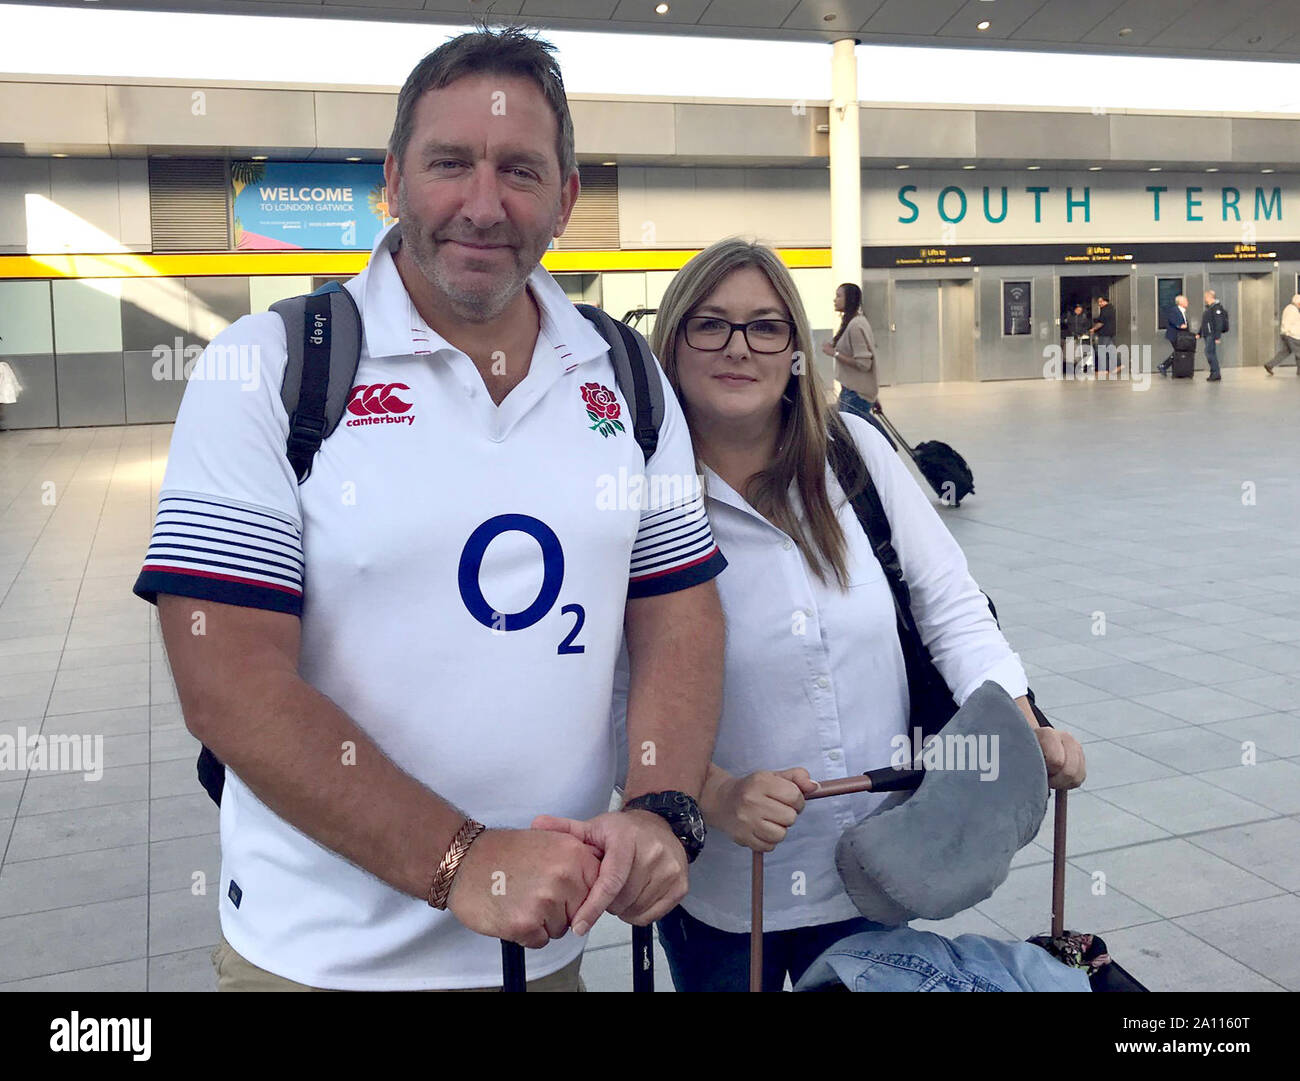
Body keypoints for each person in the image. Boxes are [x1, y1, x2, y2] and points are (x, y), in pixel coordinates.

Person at [133, 26, 728, 991]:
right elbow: (228, 682)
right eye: (450, 162)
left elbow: (679, 610)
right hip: (316, 959)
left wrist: (663, 805)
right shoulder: (270, 368)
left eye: (522, 171)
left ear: (567, 197)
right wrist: (461, 860)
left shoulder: (625, 376)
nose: (482, 206)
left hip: (547, 954)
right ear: (394, 179)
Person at [613, 238, 1087, 992]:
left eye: (766, 326)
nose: (739, 347)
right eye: (711, 324)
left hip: (878, 864)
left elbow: (952, 608)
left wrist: (1023, 722)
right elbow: (608, 694)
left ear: (796, 351)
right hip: (730, 890)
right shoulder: (635, 495)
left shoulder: (853, 454)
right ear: (671, 340)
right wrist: (709, 791)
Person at [821, 282, 893, 449]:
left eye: (839, 296)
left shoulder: (855, 325)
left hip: (854, 394)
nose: (835, 300)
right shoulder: (855, 322)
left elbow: (864, 363)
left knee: (852, 442)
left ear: (850, 299)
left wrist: (835, 353)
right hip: (854, 392)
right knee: (851, 437)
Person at [1264, 293, 1300, 375]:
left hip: (1287, 334)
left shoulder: (1289, 308)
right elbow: (1289, 323)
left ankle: (1269, 365)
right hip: (1292, 335)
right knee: (1299, 353)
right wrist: (1288, 332)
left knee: (1285, 352)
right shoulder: (1293, 310)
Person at [1159, 294, 1190, 375]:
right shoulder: (1174, 310)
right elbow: (1172, 320)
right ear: (1180, 302)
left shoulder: (1183, 311)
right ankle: (1164, 366)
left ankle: (1166, 366)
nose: (1187, 302)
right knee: (1178, 352)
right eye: (1186, 301)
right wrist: (1179, 325)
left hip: (1182, 336)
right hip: (1175, 335)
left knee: (1179, 352)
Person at [1199, 290, 1227, 382]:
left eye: (1205, 297)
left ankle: (1215, 373)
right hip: (1207, 334)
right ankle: (1214, 373)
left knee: (1209, 353)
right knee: (1210, 353)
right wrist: (1199, 333)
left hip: (1212, 334)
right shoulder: (1209, 308)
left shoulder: (1216, 308)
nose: (1204, 299)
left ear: (1210, 297)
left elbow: (1219, 323)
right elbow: (1205, 322)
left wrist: (1217, 336)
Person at [1089, 296, 1120, 377]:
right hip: (1111, 333)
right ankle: (1117, 366)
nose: (1099, 304)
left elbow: (1101, 322)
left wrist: (1093, 329)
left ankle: (1104, 369)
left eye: (1100, 302)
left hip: (1104, 333)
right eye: (1098, 302)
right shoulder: (1111, 309)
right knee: (1111, 350)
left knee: (1101, 351)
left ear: (1105, 301)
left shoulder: (1105, 310)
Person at [1064, 302, 1092, 370]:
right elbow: (1067, 325)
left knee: (1079, 352)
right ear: (1074, 309)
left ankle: (1080, 366)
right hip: (1071, 336)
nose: (1079, 312)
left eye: (1080, 311)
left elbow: (1087, 325)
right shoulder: (1069, 316)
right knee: (1070, 353)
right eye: (1078, 310)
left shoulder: (1083, 316)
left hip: (1080, 336)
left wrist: (1084, 332)